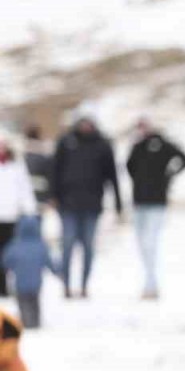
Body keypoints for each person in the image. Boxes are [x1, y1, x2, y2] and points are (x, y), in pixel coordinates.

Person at [52, 116, 122, 299]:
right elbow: (55, 170)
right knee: (67, 245)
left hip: (92, 206)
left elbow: (112, 175)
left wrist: (118, 201)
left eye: (88, 123)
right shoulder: (65, 142)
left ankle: (83, 286)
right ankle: (66, 285)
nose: (85, 126)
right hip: (67, 205)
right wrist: (53, 197)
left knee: (88, 248)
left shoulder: (103, 144)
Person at [125, 118, 185, 300]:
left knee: (150, 242)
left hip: (157, 201)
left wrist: (168, 175)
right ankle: (149, 281)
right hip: (139, 201)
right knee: (141, 243)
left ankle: (151, 284)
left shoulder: (163, 144)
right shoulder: (137, 146)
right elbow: (129, 167)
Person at [2, 216, 57, 329]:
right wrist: (57, 271)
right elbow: (49, 262)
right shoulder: (41, 246)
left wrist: (8, 268)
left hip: (20, 284)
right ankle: (35, 322)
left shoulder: (14, 246)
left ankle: (26, 322)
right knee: (34, 303)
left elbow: (6, 262)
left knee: (23, 304)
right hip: (36, 284)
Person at [0, 135, 38, 298]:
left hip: (12, 217)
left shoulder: (17, 166)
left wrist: (30, 210)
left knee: (9, 252)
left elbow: (25, 189)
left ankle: (10, 283)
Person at [22, 125, 53, 214]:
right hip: (40, 193)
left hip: (26, 193)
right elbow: (50, 174)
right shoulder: (45, 153)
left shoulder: (22, 152)